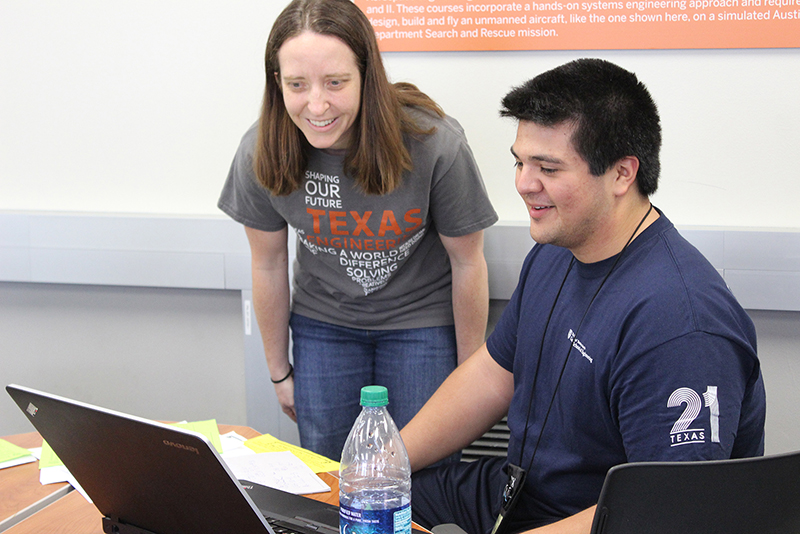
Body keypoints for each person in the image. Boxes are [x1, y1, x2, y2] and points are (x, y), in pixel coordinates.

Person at [400, 58, 766, 534]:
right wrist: (381, 465)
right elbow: (494, 375)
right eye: (520, 161)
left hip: (602, 520)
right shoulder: (557, 246)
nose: (524, 183)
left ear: (621, 174)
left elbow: (664, 513)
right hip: (524, 494)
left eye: (548, 167)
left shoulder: (679, 326)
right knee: (363, 500)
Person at [218, 0, 497, 461]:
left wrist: (469, 380)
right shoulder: (260, 150)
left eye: (336, 82)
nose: (317, 104)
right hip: (323, 325)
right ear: (277, 84)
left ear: (367, 76)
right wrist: (279, 372)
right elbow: (266, 262)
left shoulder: (434, 143)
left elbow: (468, 262)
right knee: (331, 476)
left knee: (421, 473)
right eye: (297, 85)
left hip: (421, 323)